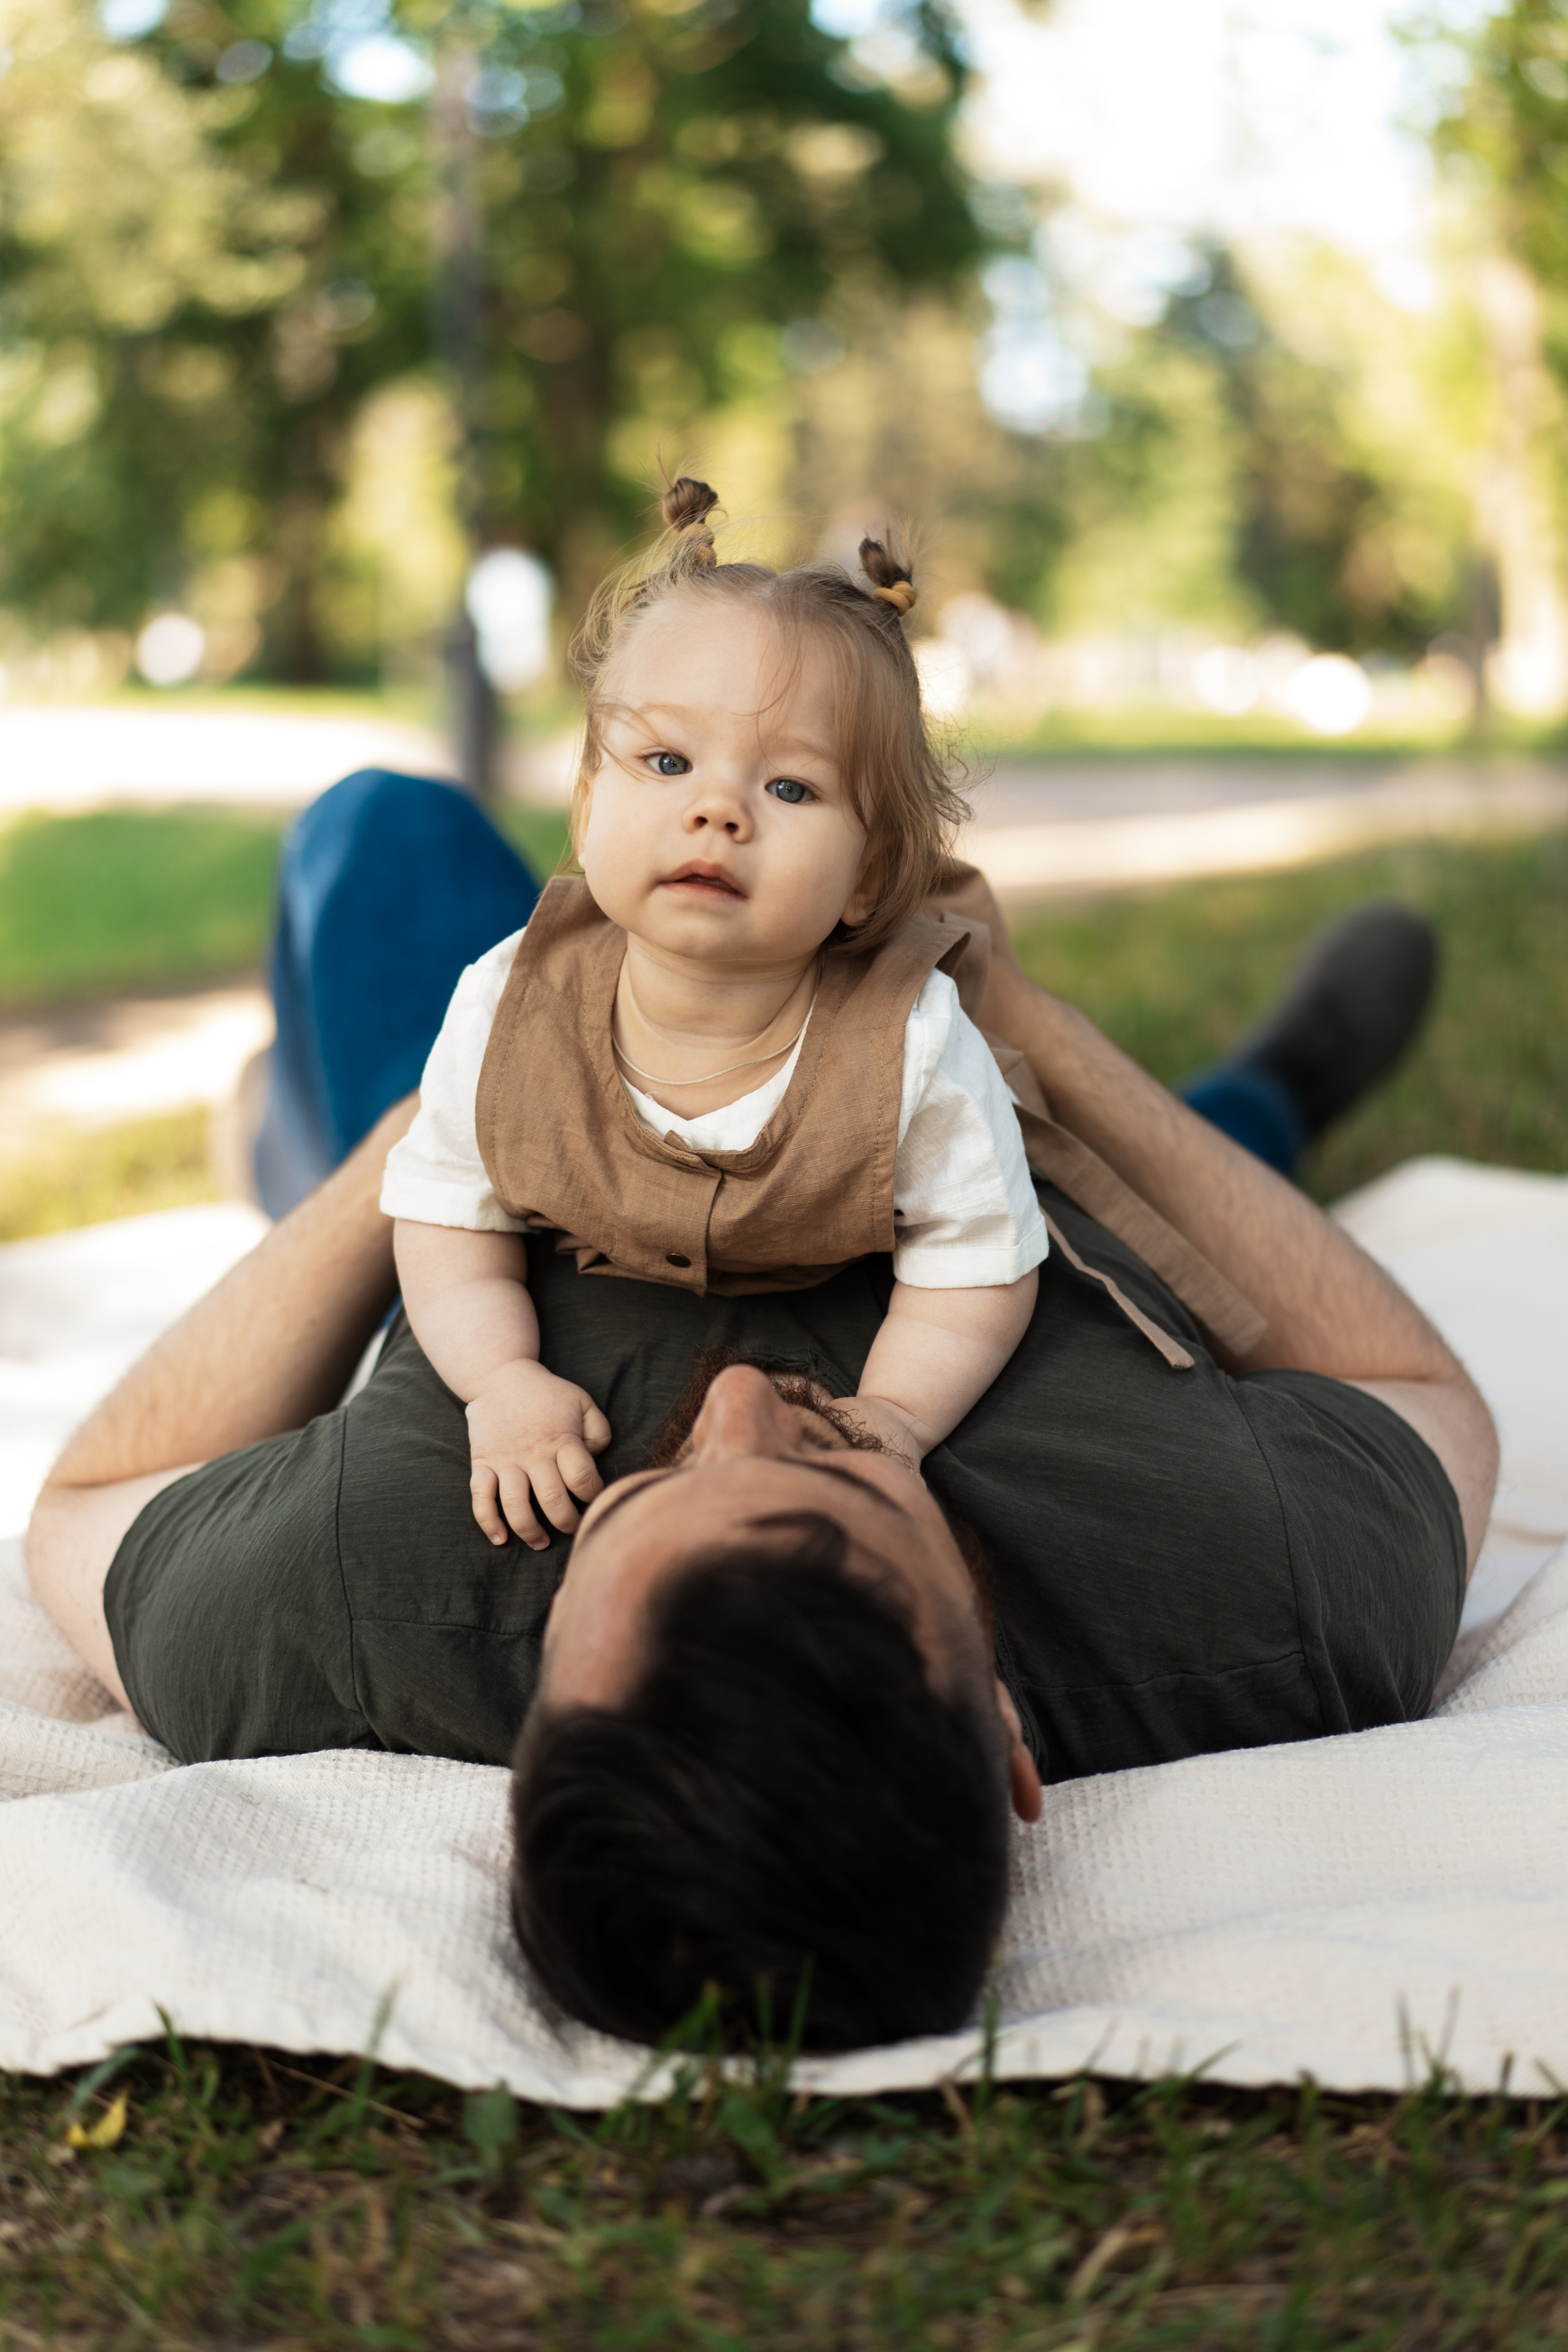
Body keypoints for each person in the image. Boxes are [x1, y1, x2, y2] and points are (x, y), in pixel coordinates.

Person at [25, 778, 1494, 2056]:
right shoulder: (1261, 1592)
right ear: (997, 1725)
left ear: (533, 1716)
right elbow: (1415, 1397)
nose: (735, 1405)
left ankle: (290, 1142)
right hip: (994, 1151)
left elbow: (89, 1504)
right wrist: (1017, 1014)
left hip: (537, 1098)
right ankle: (1271, 1090)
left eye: (640, 1498)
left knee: (382, 830)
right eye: (840, 1485)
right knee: (1203, 1164)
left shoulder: (352, 1590)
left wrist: (433, 1120)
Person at [382, 479, 1044, 1554]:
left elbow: (977, 1256)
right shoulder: (509, 1003)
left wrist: (898, 1417)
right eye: (667, 761)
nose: (717, 807)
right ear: (590, 805)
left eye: (790, 789)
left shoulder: (914, 1047)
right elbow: (450, 1212)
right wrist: (501, 1381)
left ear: (872, 876)